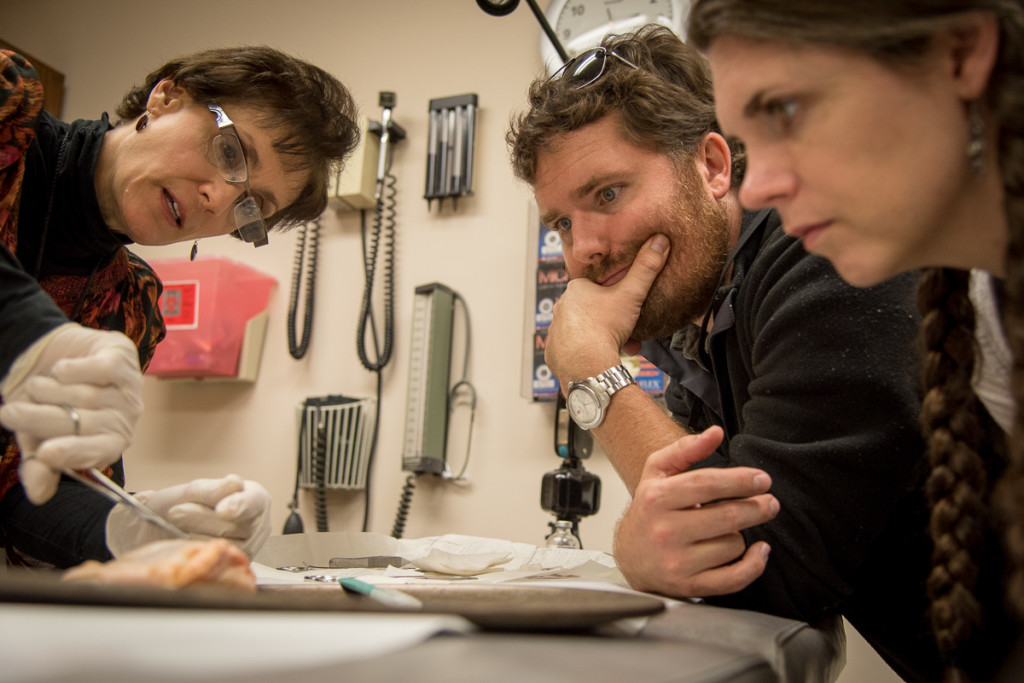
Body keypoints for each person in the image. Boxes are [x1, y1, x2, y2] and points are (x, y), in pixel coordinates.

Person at [507, 25, 941, 681]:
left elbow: (758, 568)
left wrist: (591, 369)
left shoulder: (825, 258)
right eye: (562, 223)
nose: (582, 250)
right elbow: (687, 530)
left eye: (608, 194)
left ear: (712, 166)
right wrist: (638, 542)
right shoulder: (704, 323)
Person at [687, 2, 1024, 680]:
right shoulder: (984, 307)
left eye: (785, 109)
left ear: (959, 53)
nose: (762, 188)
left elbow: (767, 562)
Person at [0, 45, 360, 568]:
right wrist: (27, 333)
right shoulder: (8, 95)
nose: (220, 199)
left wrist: (133, 531)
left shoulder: (125, 308)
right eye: (232, 152)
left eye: (251, 206)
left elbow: (24, 487)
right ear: (166, 96)